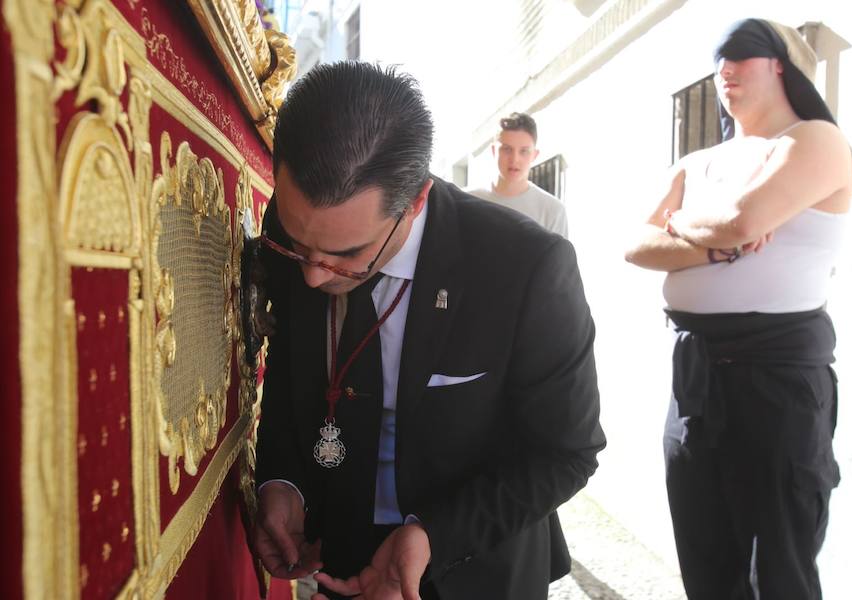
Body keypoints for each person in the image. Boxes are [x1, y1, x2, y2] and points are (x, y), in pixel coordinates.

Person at [249, 61, 605, 600]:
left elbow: (567, 451)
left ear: (415, 200)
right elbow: (288, 368)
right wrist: (283, 482)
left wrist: (434, 535)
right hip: (338, 555)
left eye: (347, 255)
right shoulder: (294, 222)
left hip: (474, 561)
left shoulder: (528, 267)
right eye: (297, 247)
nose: (313, 274)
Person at [624, 18, 852, 600]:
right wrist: (713, 239)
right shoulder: (697, 162)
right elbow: (636, 244)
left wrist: (685, 225)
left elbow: (744, 220)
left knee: (779, 571)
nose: (725, 69)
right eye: (718, 58)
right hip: (695, 382)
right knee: (707, 565)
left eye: (742, 55)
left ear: (780, 63)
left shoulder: (815, 140)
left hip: (776, 382)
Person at [468, 112, 569, 237]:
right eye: (507, 149)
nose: (514, 159)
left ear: (535, 155)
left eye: (524, 151)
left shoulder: (553, 211)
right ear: (494, 151)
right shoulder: (467, 201)